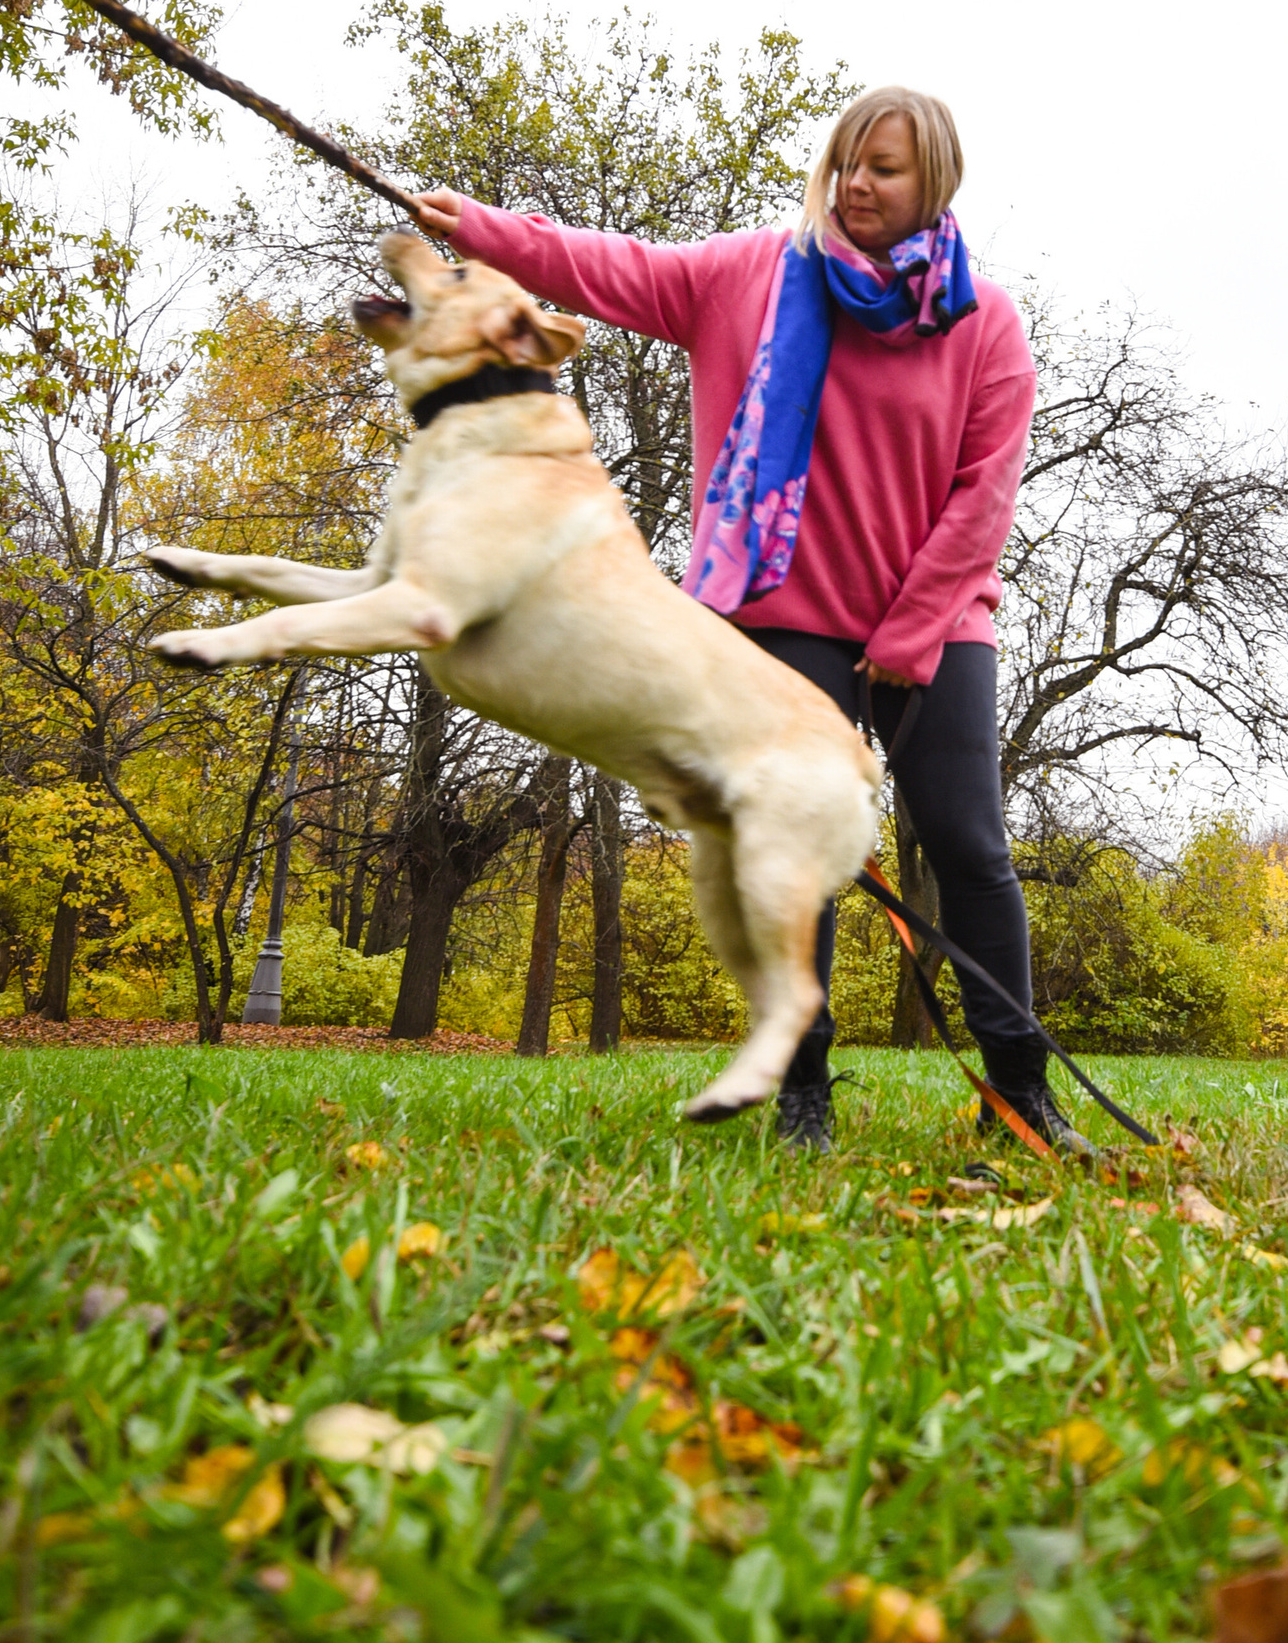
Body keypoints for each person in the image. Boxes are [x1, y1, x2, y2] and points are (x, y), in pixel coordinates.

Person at [405, 87, 1080, 1152]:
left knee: (969, 846)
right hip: (784, 613)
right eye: (846, 161)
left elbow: (982, 493)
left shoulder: (981, 323)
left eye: (885, 168)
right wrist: (483, 230)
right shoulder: (750, 278)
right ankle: (804, 1093)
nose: (856, 183)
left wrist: (910, 633)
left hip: (935, 619)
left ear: (933, 183)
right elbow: (608, 268)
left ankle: (1017, 1094)